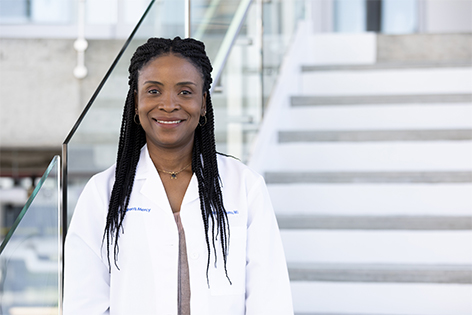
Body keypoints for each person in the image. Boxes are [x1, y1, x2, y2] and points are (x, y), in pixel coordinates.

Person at [63, 37, 293, 315]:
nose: (169, 105)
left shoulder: (244, 186)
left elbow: (269, 298)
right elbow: (84, 303)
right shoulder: (102, 193)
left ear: (204, 103)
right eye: (153, 91)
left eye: (185, 92)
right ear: (136, 102)